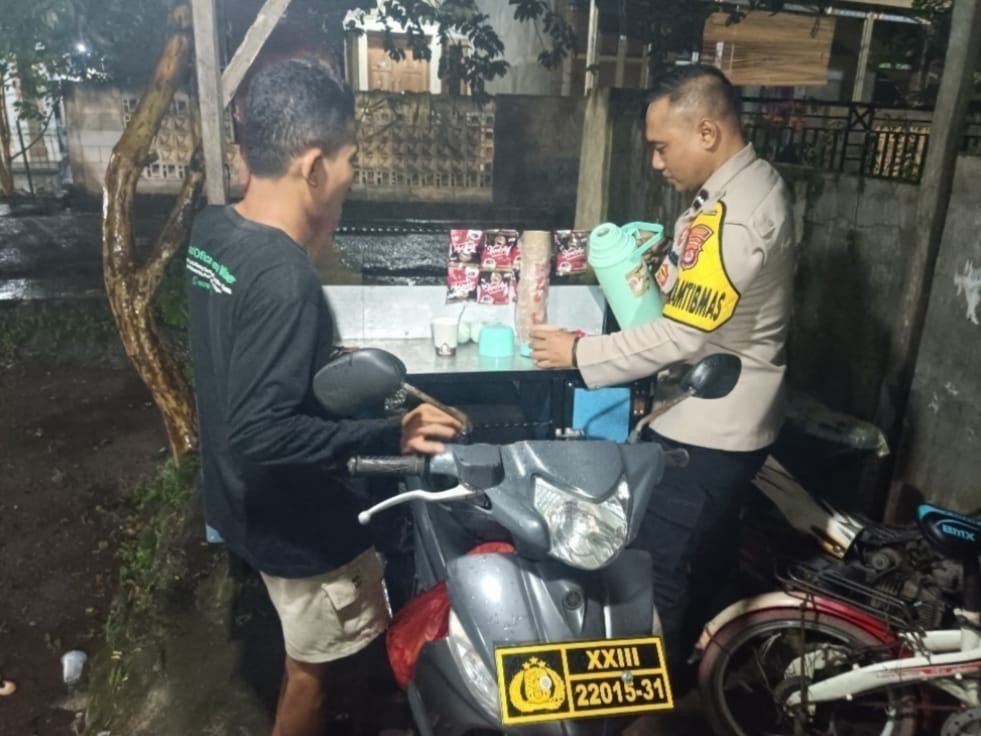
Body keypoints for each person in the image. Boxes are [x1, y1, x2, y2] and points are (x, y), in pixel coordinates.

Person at [185, 58, 462, 736]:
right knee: (312, 674)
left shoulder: (214, 232)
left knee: (310, 654)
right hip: (296, 522)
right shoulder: (285, 277)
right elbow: (261, 431)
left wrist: (312, 354)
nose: (351, 176)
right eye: (349, 160)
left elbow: (239, 352)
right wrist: (389, 434)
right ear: (312, 165)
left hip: (236, 498)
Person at [530, 64, 795, 679]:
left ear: (706, 132)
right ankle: (709, 672)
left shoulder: (737, 213)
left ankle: (652, 697)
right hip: (721, 409)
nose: (655, 162)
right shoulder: (737, 190)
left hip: (711, 427)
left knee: (656, 567)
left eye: (660, 146)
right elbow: (697, 302)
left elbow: (683, 334)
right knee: (706, 556)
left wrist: (580, 355)